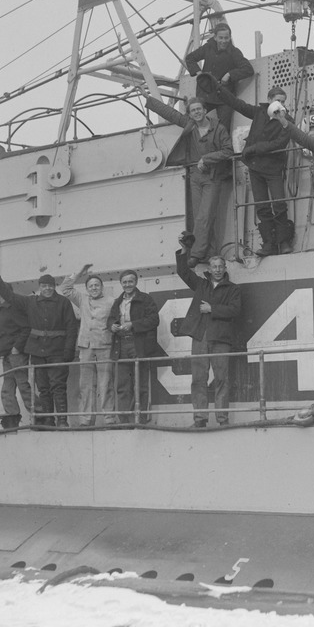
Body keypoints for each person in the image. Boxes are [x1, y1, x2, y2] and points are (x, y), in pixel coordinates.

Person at [145, 94, 234, 265]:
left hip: (212, 177)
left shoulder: (219, 129)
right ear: (190, 114)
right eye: (193, 111)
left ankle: (196, 254)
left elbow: (228, 150)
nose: (197, 113)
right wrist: (148, 99)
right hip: (195, 177)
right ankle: (210, 253)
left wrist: (207, 158)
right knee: (201, 217)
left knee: (204, 217)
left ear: (205, 110)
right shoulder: (190, 126)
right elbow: (171, 114)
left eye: (199, 109)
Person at [212, 79, 297, 256]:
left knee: (279, 204)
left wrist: (254, 148)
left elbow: (280, 142)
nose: (280, 104)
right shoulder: (259, 112)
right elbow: (238, 104)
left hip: (273, 168)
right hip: (255, 167)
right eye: (277, 100)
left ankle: (284, 241)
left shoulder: (286, 120)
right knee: (262, 206)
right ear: (270, 99)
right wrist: (220, 89)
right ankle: (269, 244)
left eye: (283, 101)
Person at [0, 268, 78, 427]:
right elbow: (8, 295)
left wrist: (68, 351)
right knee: (43, 388)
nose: (47, 289)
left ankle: (62, 421)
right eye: (44, 286)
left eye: (50, 286)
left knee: (58, 386)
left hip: (57, 350)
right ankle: (49, 421)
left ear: (54, 286)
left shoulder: (63, 303)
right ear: (40, 287)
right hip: (37, 351)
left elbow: (71, 328)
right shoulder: (31, 302)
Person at [176, 233, 243, 428]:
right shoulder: (201, 284)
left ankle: (222, 419)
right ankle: (200, 419)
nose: (217, 270)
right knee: (198, 379)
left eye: (221, 266)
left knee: (222, 379)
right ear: (209, 269)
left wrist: (212, 309)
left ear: (225, 268)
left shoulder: (233, 289)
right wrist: (184, 250)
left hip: (220, 338)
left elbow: (235, 310)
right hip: (200, 336)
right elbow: (183, 272)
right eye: (214, 267)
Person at [60, 265, 116, 426]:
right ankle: (86, 419)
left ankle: (109, 418)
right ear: (86, 288)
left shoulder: (111, 301)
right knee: (85, 385)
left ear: (102, 287)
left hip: (105, 345)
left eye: (96, 285)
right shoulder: (82, 299)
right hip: (86, 347)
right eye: (90, 286)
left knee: (106, 384)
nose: (94, 288)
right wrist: (77, 273)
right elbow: (65, 288)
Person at [108, 270, 164, 424]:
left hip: (139, 345)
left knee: (141, 384)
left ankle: (142, 418)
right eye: (124, 282)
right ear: (121, 284)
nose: (127, 285)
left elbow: (154, 320)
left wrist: (133, 325)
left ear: (136, 282)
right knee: (122, 385)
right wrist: (111, 326)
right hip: (121, 345)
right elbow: (111, 319)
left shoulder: (145, 299)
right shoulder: (118, 302)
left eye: (130, 281)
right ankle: (125, 420)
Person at [183, 22, 254, 132]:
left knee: (224, 128)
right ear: (215, 37)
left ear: (230, 37)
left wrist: (230, 74)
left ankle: (223, 148)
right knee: (192, 121)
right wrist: (199, 73)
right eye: (221, 38)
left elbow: (248, 69)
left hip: (224, 96)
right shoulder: (208, 48)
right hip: (206, 93)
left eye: (226, 38)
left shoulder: (234, 52)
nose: (224, 41)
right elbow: (190, 58)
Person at [0, 281, 32, 429]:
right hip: (7, 354)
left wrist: (17, 348)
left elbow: (26, 328)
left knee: (23, 385)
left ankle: (38, 413)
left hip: (15, 354)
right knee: (7, 386)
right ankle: (12, 414)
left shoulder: (13, 309)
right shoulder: (3, 309)